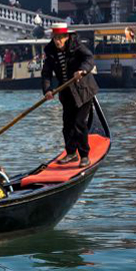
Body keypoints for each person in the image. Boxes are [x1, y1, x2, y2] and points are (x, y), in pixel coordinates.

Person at [42, 22, 99, 168]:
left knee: (79, 123)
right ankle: (71, 153)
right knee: (67, 124)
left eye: (60, 38)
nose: (57, 41)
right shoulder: (50, 51)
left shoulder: (76, 45)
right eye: (55, 38)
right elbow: (46, 72)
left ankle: (84, 155)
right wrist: (47, 89)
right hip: (66, 92)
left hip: (83, 90)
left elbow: (89, 59)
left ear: (66, 37)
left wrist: (82, 70)